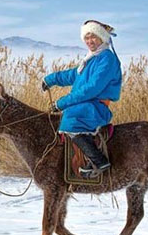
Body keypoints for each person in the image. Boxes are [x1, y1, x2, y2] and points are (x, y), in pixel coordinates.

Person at [42, 20, 122, 178]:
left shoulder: (107, 58)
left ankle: (98, 161)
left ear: (102, 38)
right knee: (67, 116)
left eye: (93, 37)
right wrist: (51, 79)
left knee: (71, 118)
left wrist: (62, 103)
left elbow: (92, 88)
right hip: (88, 103)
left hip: (96, 106)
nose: (89, 41)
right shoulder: (92, 58)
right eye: (86, 38)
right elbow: (73, 75)